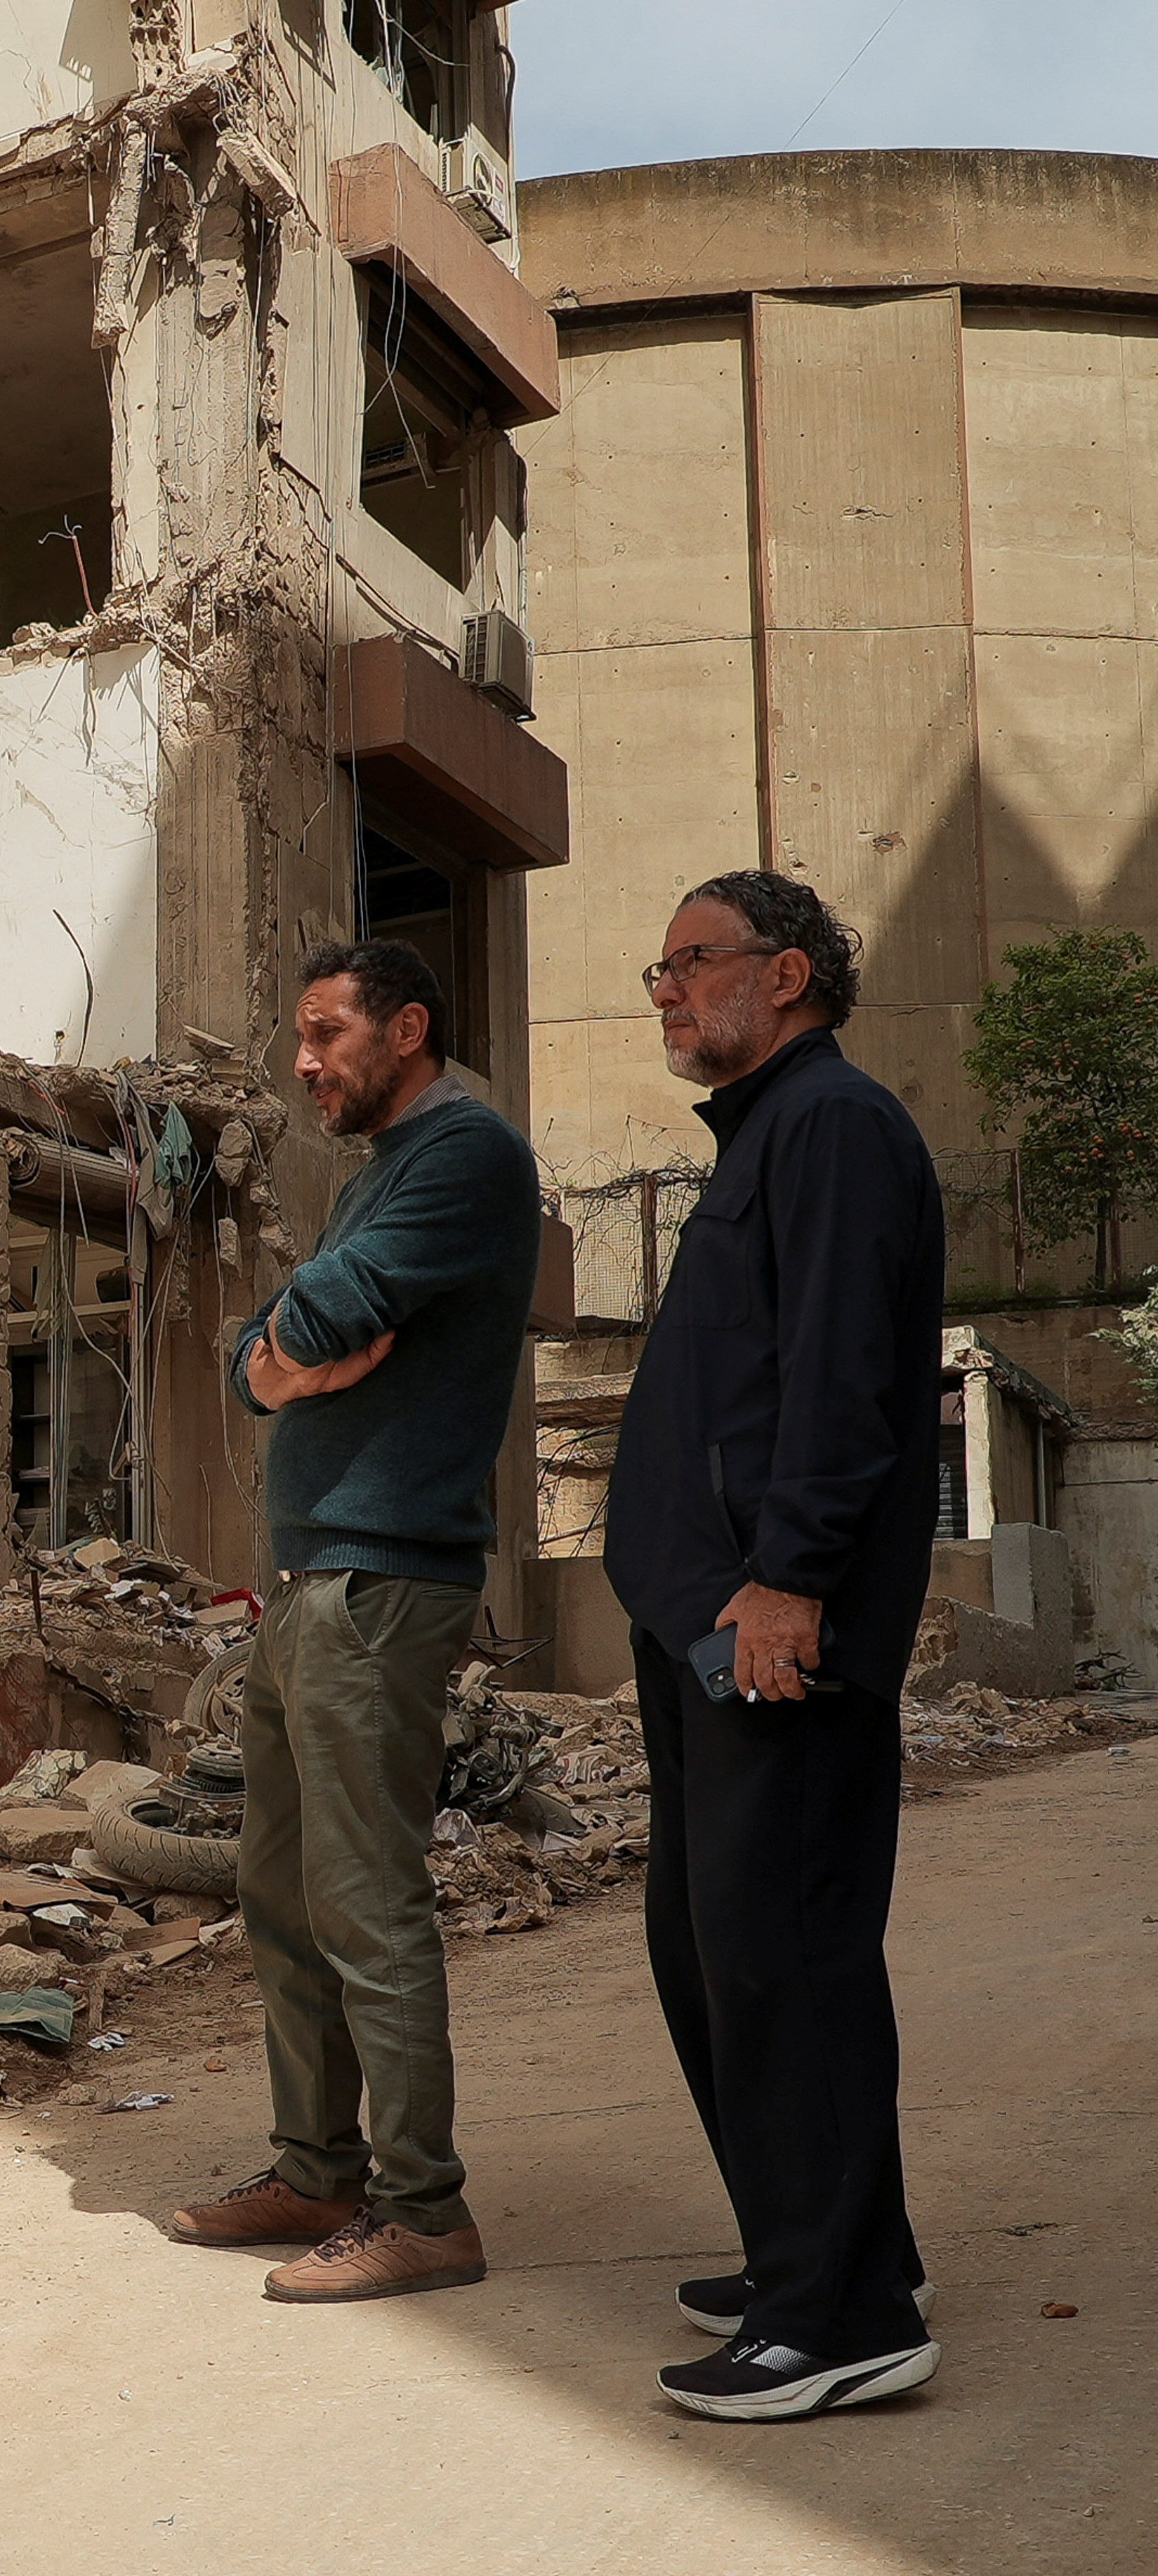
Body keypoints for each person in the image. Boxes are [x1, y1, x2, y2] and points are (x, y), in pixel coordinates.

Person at [607, 870, 942, 2421]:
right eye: (660, 968)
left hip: (768, 1627)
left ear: (786, 975)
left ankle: (842, 2316)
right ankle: (810, 2241)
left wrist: (791, 1579)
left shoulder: (831, 1127)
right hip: (708, 1623)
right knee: (713, 1949)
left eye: (690, 962)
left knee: (780, 1953)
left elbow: (839, 1377)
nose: (665, 989)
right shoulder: (768, 1137)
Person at [164, 938, 544, 2301]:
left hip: (380, 1580)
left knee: (359, 1895)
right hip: (310, 1578)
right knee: (275, 1884)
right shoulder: (377, 1174)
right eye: (299, 1038)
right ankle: (315, 2167)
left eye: (326, 1034)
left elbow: (323, 1306)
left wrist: (284, 1341)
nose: (303, 1062)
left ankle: (420, 2209)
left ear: (407, 1028)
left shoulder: (463, 1154)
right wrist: (275, 1362)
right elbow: (256, 1353)